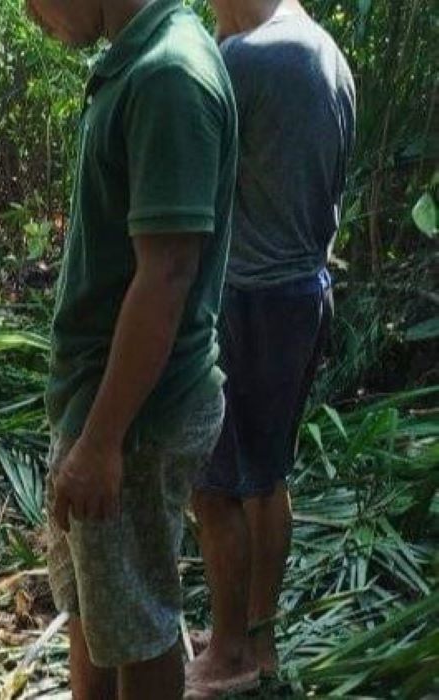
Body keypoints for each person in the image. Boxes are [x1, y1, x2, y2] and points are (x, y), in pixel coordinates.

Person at [23, 0, 238, 697]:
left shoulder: (168, 74)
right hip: (103, 406)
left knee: (138, 628)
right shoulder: (136, 64)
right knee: (95, 612)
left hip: (135, 418)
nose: (29, 12)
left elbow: (168, 272)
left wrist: (102, 441)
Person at [186, 1, 354, 696]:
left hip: (246, 299)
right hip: (305, 292)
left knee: (214, 485)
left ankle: (227, 655)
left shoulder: (244, 60)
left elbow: (195, 189)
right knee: (267, 477)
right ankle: (259, 641)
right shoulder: (327, 53)